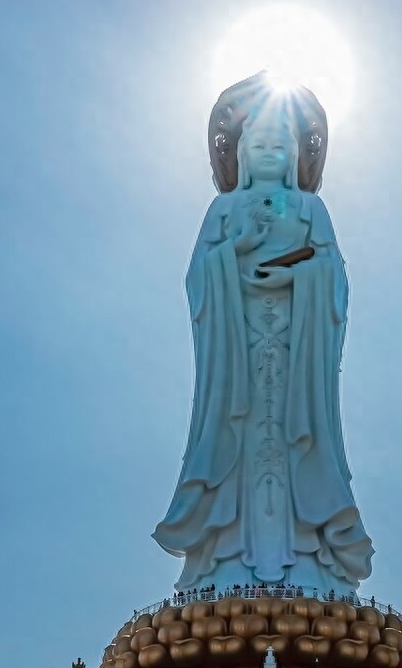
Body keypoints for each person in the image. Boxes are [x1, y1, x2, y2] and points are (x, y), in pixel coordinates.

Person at [154, 100, 374, 596]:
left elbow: (335, 279)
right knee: (236, 442)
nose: (270, 151)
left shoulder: (311, 209)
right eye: (259, 143)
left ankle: (310, 567)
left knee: (298, 443)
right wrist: (236, 250)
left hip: (297, 360)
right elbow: (198, 278)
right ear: (243, 155)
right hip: (237, 358)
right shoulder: (223, 210)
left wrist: (298, 275)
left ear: (295, 154)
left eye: (280, 143)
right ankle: (226, 563)